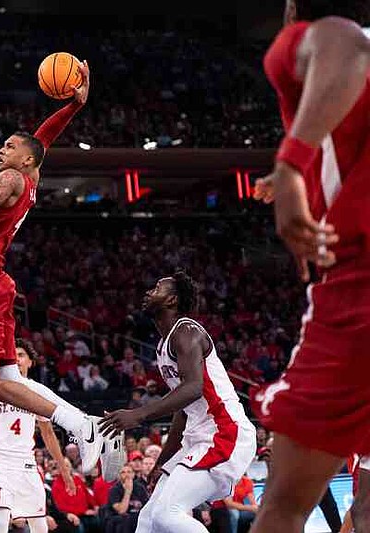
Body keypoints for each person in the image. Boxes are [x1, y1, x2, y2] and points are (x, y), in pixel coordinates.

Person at [247, 1, 370, 531]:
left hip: (360, 291)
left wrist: (290, 164)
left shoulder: (304, 41)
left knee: (284, 506)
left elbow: (345, 44)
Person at [0, 46, 105, 474]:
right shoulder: (30, 175)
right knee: (9, 381)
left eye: (9, 145)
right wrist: (74, 106)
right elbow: (42, 140)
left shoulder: (7, 180)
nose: (1, 150)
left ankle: (82, 424)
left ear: (23, 159)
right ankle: (82, 423)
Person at [99, 272, 256, 532]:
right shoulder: (164, 344)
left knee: (167, 514)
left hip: (225, 432)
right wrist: (162, 462)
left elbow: (193, 388)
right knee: (148, 520)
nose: (150, 292)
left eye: (157, 288)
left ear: (172, 300)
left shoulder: (186, 330)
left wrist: (137, 415)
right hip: (199, 436)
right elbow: (182, 413)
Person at [0, 338, 73, 533]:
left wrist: (64, 469)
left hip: (26, 463)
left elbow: (47, 433)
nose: (17, 359)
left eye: (21, 355)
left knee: (39, 523)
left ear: (31, 361)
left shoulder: (36, 391)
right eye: (13, 355)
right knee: (1, 517)